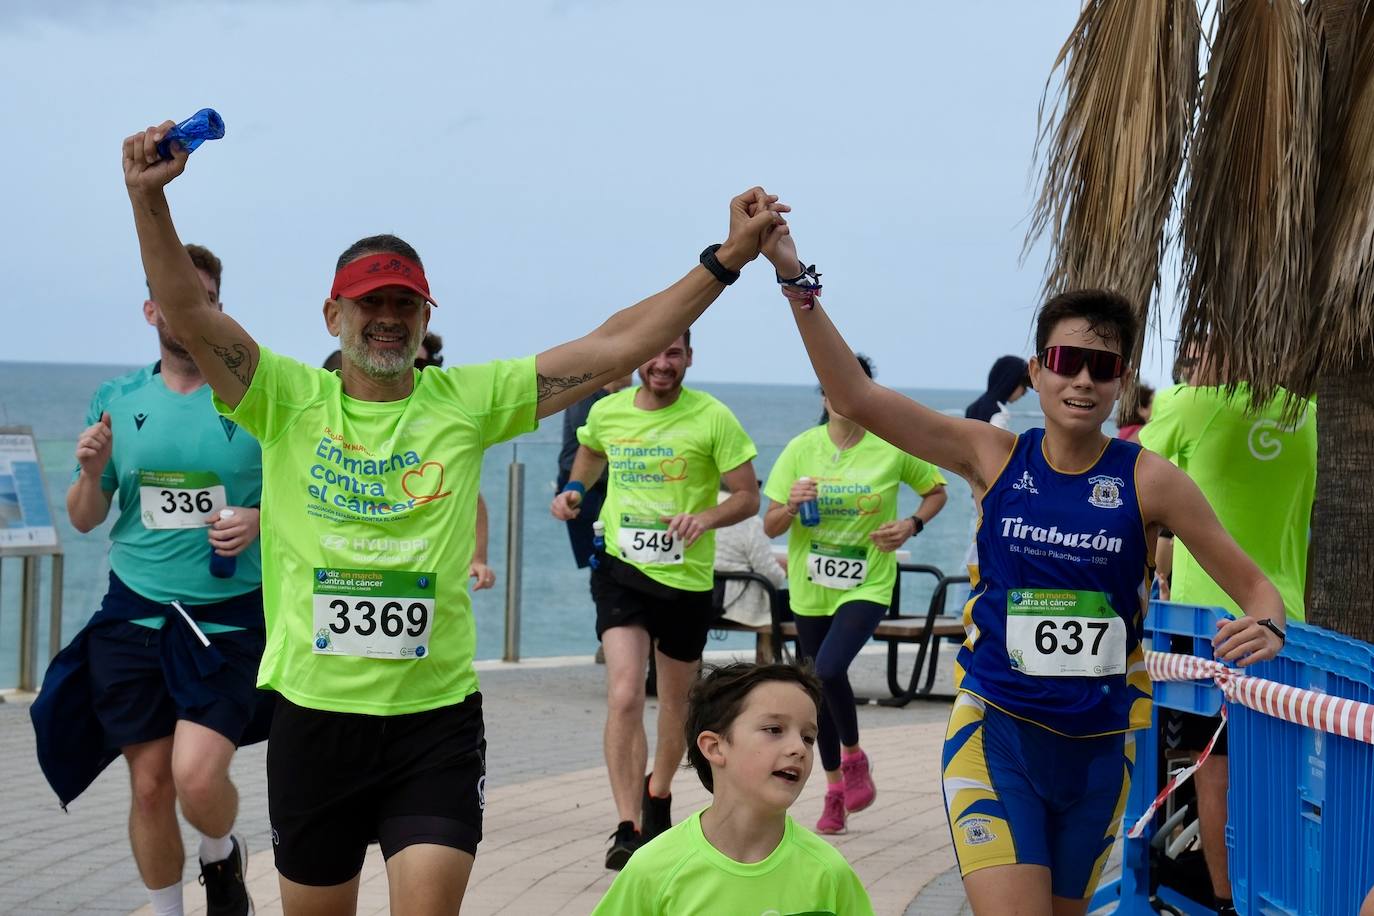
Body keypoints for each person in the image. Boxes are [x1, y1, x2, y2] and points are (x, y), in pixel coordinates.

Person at [121, 117, 785, 914]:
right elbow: (190, 314)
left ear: (425, 318)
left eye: (405, 303)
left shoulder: (467, 401)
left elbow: (614, 346)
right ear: (332, 315)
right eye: (370, 303)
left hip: (431, 723)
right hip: (315, 719)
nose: (388, 317)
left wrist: (726, 259)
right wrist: (148, 200)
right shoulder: (283, 398)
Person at [758, 213, 1286, 915]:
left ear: (1123, 380)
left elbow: (1256, 588)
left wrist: (1267, 626)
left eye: (1104, 367)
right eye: (1067, 361)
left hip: (1099, 752)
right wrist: (796, 280)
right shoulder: (992, 455)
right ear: (1037, 371)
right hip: (995, 733)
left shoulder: (1151, 480)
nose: (1083, 380)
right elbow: (856, 397)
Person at [32, 244, 263, 916]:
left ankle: (220, 849)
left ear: (218, 308)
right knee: (150, 786)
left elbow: (307, 498)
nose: (188, 309)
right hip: (134, 619)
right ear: (150, 309)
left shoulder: (254, 400)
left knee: (197, 778)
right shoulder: (117, 400)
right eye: (175, 297)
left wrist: (260, 520)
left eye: (203, 299)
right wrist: (87, 472)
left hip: (225, 620)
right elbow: (85, 517)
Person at [550, 330, 761, 869]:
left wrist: (706, 517)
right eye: (654, 352)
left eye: (674, 353)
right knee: (623, 695)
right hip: (619, 570)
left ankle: (658, 790)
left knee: (676, 703)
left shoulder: (713, 417)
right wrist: (575, 490)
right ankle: (627, 825)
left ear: (689, 357)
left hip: (685, 580)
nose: (662, 363)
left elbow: (747, 496)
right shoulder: (609, 410)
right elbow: (590, 452)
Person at [1139, 353, 1316, 916]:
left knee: (1213, 765)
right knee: (1281, 767)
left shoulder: (1189, 404)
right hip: (1287, 617)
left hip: (1209, 622)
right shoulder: (1311, 412)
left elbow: (1132, 476)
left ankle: (1224, 902)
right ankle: (1277, 892)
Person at [761, 354, 947, 835]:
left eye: (852, 386)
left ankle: (854, 757)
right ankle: (834, 791)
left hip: (869, 580)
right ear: (824, 396)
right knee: (817, 691)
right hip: (811, 586)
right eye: (832, 386)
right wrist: (791, 505)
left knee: (827, 669)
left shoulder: (891, 446)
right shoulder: (801, 449)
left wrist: (911, 524)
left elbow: (936, 491)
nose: (841, 396)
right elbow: (770, 525)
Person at [590, 662, 874, 915]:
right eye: (774, 729)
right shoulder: (654, 870)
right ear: (714, 747)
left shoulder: (828, 872)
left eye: (808, 737)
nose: (798, 748)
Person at [557, 374, 635, 569]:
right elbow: (592, 438)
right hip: (581, 483)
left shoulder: (616, 399)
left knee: (616, 551)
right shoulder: (585, 395)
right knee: (594, 555)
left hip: (608, 482)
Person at [712, 480, 787, 633]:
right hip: (739, 608)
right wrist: (783, 572)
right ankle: (771, 647)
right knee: (797, 604)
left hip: (699, 603)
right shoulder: (751, 522)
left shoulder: (697, 512)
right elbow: (771, 575)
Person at [965, 355, 1030, 429]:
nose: (1025, 393)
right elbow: (995, 436)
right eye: (1024, 385)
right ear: (1011, 382)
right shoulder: (998, 414)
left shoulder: (972, 408)